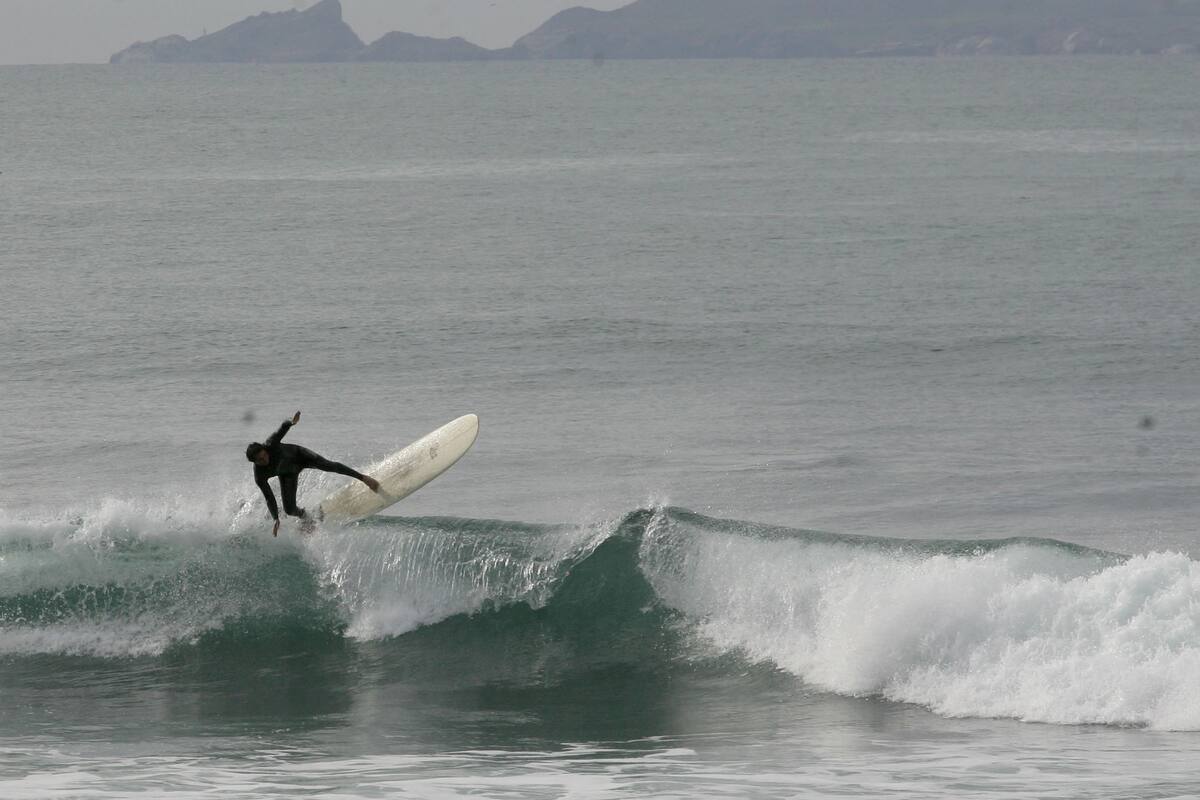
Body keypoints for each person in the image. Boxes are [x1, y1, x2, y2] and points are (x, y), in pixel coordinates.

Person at [245, 411, 380, 536]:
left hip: (301, 456)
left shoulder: (270, 444)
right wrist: (275, 518)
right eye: (261, 460)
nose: (265, 460)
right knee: (290, 510)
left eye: (264, 456)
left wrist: (292, 421)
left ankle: (363, 478)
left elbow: (281, 429)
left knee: (329, 465)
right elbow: (269, 497)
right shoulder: (259, 475)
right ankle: (306, 518)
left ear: (265, 450)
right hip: (288, 473)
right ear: (255, 462)